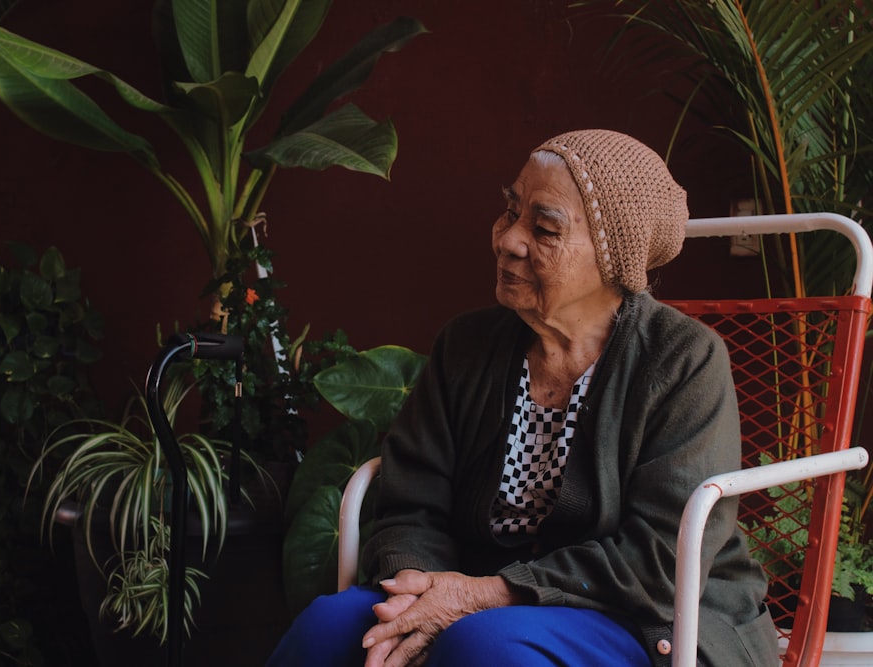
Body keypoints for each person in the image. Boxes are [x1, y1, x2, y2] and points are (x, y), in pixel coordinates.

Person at [267, 129, 779, 667]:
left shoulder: (683, 359)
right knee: (328, 625)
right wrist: (416, 598)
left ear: (612, 258)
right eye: (510, 211)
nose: (508, 239)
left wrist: (483, 595)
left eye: (544, 227)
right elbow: (411, 502)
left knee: (484, 647)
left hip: (639, 612)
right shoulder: (466, 345)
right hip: (473, 591)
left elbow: (661, 557)